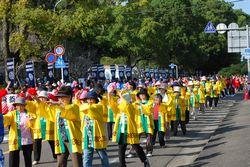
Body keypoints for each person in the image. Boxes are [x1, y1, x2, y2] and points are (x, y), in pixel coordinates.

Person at [31, 86, 82, 167]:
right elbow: (45, 110)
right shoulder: (57, 109)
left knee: (77, 163)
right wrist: (37, 99)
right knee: (60, 163)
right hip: (61, 139)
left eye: (63, 97)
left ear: (69, 97)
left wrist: (57, 104)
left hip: (72, 139)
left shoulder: (74, 107)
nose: (61, 99)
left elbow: (67, 111)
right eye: (59, 97)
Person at [111, 90, 150, 167]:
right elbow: (113, 106)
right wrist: (109, 95)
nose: (120, 100)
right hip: (122, 130)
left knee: (136, 147)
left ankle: (145, 160)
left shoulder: (130, 107)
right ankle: (122, 165)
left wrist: (122, 97)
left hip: (130, 130)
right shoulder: (120, 108)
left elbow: (125, 106)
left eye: (121, 99)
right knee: (121, 148)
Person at [25, 90, 56, 165]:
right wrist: (25, 96)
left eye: (43, 98)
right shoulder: (35, 103)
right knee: (37, 143)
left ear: (46, 98)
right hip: (38, 124)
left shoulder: (49, 104)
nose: (42, 99)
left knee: (51, 141)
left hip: (48, 124)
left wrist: (36, 98)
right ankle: (36, 159)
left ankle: (56, 155)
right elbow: (29, 107)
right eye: (41, 97)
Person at [3, 97, 34, 167]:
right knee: (13, 160)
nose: (19, 106)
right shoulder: (12, 114)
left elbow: (34, 125)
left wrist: (31, 121)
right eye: (17, 105)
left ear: (24, 105)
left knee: (28, 160)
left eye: (21, 105)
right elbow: (6, 118)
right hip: (15, 140)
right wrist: (2, 117)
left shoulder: (29, 114)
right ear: (15, 106)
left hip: (27, 140)